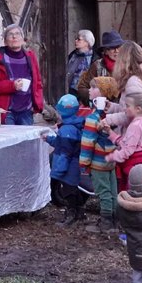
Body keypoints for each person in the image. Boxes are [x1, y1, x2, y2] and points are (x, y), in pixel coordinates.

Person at [0, 24, 44, 126]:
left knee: (26, 141)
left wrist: (38, 104)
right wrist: (12, 86)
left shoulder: (30, 57)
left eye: (17, 34)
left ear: (23, 39)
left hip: (26, 111)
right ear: (5, 41)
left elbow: (38, 83)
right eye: (10, 34)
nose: (14, 37)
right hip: (5, 112)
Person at [80, 75, 120, 232]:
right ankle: (116, 219)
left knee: (103, 191)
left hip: (97, 161)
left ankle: (106, 222)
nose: (89, 90)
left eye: (93, 87)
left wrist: (84, 162)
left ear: (103, 92)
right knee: (112, 190)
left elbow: (87, 141)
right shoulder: (113, 117)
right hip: (111, 159)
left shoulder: (93, 117)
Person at [103, 92, 142, 192]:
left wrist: (110, 157)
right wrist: (110, 132)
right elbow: (130, 143)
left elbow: (127, 150)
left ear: (138, 109)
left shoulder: (135, 126)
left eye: (127, 106)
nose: (124, 109)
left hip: (135, 167)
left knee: (135, 196)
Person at [42, 94, 85, 225]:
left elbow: (64, 152)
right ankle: (79, 213)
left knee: (68, 191)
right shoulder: (72, 127)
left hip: (68, 167)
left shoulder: (66, 130)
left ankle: (71, 214)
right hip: (73, 164)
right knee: (73, 190)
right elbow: (62, 144)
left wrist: (59, 170)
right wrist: (49, 139)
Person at [77, 30, 123, 105]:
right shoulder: (97, 65)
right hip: (101, 108)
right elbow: (82, 88)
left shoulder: (127, 65)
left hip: (122, 108)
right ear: (105, 51)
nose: (116, 51)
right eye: (112, 48)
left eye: (119, 47)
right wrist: (95, 96)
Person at [65, 29, 95, 96]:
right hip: (68, 89)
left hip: (82, 93)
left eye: (79, 39)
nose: (76, 41)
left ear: (87, 42)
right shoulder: (73, 55)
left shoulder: (93, 58)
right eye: (76, 39)